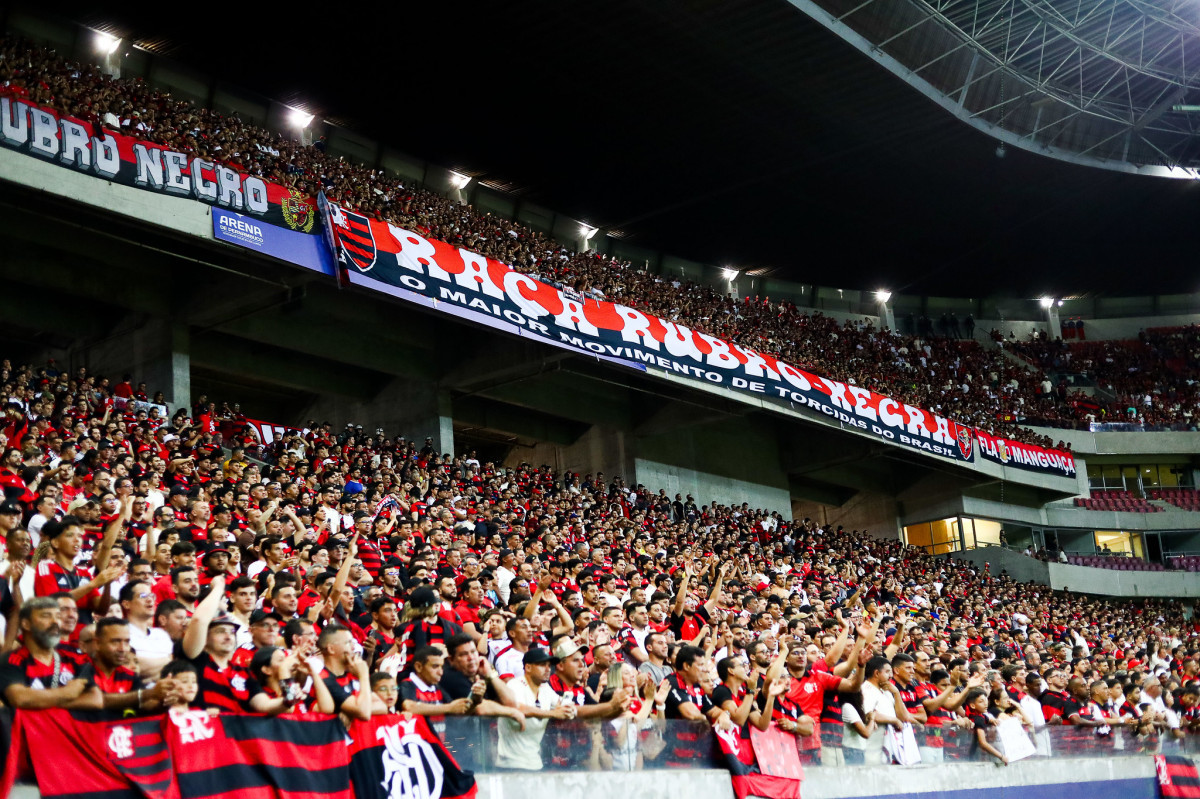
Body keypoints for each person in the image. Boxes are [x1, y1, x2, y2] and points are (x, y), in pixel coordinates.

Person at [0, 596, 90, 708]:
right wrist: (67, 692)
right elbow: (20, 698)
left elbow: (95, 698)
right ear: (26, 624)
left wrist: (43, 700)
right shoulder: (10, 661)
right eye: (46, 616)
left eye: (58, 616)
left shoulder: (74, 658)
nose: (55, 622)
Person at [496, 647, 576, 770]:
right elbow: (518, 708)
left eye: (549, 665)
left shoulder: (545, 688)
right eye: (542, 665)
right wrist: (553, 714)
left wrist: (568, 707)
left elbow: (561, 704)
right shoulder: (515, 684)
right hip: (510, 764)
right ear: (528, 668)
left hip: (535, 762)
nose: (548, 669)